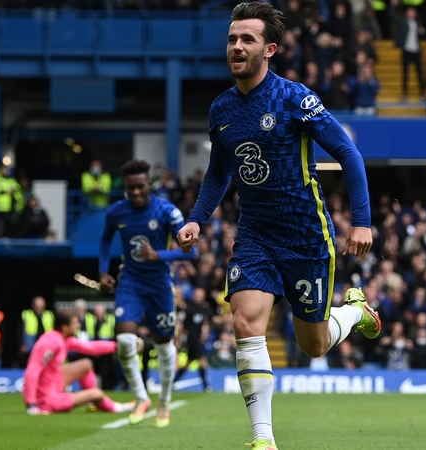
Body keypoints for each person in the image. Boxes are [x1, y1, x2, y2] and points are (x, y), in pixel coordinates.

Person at [175, 4, 379, 448]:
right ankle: (263, 438)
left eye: (247, 39)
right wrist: (196, 219)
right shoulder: (222, 109)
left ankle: (355, 312)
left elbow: (348, 152)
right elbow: (217, 173)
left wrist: (362, 222)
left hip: (306, 236)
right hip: (255, 235)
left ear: (268, 49)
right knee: (245, 322)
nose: (236, 46)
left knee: (314, 345)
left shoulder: (294, 99)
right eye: (232, 39)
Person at [99, 159, 197, 428]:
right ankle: (141, 397)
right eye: (131, 188)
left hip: (159, 285)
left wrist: (159, 254)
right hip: (130, 281)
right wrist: (103, 271)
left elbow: (191, 250)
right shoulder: (117, 212)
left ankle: (163, 402)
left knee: (164, 345)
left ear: (149, 184)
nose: (136, 192)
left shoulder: (166, 211)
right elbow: (106, 239)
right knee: (125, 341)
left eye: (140, 187)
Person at [22, 310, 135, 416]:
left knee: (86, 364)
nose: (78, 326)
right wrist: (32, 404)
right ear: (65, 327)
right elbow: (32, 371)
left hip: (53, 384)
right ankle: (115, 407)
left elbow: (91, 347)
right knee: (97, 393)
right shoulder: (51, 342)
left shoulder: (63, 339)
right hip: (46, 400)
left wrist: (117, 347)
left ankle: (93, 403)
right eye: (75, 323)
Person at [0, 163, 24, 237]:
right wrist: (5, 191)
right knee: (0, 224)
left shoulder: (10, 179)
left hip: (10, 207)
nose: (6, 171)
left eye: (7, 169)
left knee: (11, 224)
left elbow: (17, 188)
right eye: (4, 169)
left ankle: (9, 238)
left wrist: (14, 193)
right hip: (0, 207)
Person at [20, 296, 54, 366]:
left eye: (41, 306)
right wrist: (21, 344)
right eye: (37, 306)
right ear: (33, 305)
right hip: (30, 345)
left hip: (46, 345)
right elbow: (19, 331)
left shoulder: (49, 315)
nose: (39, 308)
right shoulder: (26, 314)